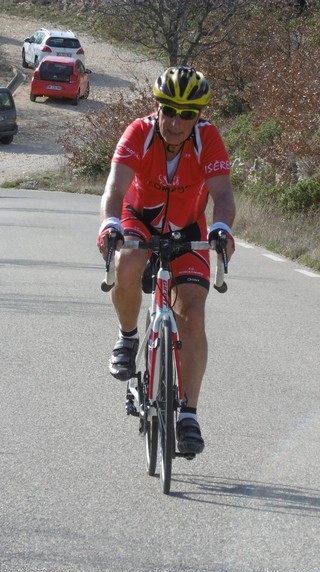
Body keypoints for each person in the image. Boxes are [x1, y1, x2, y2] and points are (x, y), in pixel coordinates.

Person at [96, 66, 236, 456]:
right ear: (156, 107)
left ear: (199, 115)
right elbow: (114, 188)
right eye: (168, 110)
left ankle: (188, 414)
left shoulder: (206, 139)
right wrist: (110, 223)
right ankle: (127, 338)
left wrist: (222, 227)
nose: (175, 122)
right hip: (138, 219)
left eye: (186, 114)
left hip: (188, 229)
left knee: (192, 314)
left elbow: (223, 195)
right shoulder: (138, 133)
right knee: (127, 261)